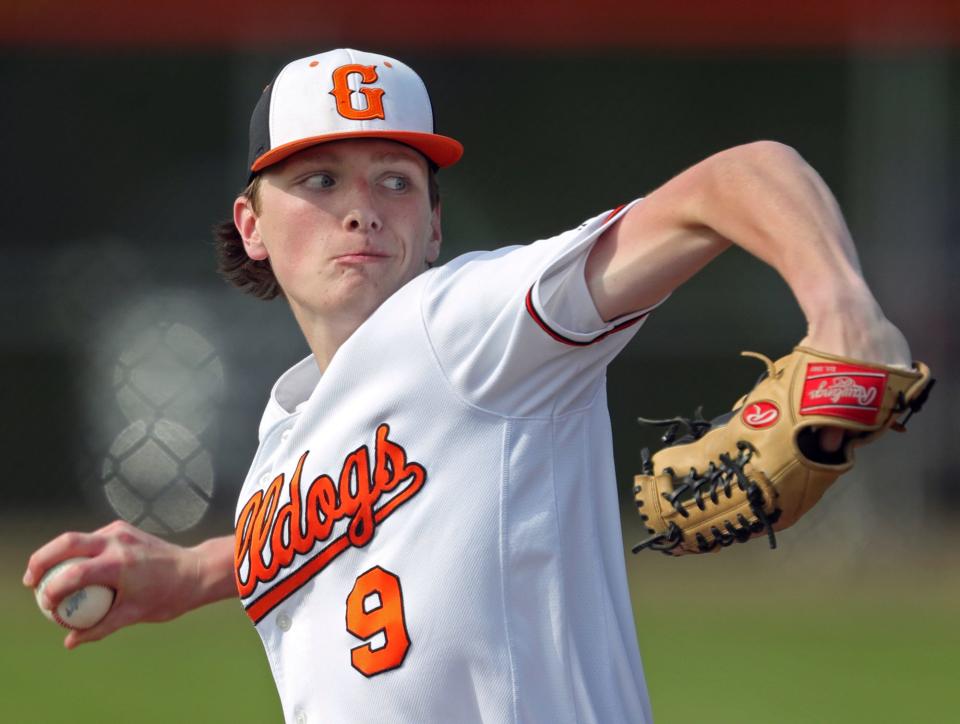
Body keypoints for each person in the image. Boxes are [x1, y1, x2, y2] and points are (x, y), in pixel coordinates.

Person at [24, 48, 912, 723]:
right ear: (251, 225)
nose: (362, 207)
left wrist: (843, 315)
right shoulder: (280, 442)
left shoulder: (469, 323)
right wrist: (192, 571)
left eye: (396, 180)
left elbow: (743, 173)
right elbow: (340, 528)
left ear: (436, 223)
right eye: (319, 179)